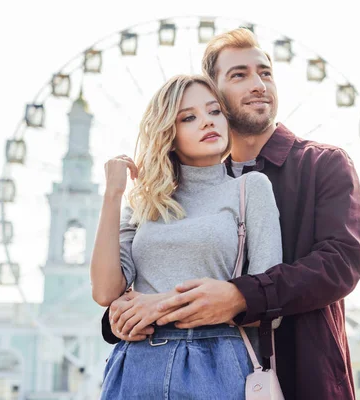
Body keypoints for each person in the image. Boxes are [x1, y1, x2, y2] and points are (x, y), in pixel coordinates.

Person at [104, 28, 360, 399]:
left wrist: (239, 296)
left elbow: (341, 264)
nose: (258, 84)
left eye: (266, 72)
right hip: (195, 373)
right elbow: (159, 267)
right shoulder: (182, 188)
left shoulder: (323, 164)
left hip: (302, 371)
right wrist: (126, 314)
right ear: (214, 94)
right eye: (239, 75)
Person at [90, 74, 283, 399]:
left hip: (217, 362)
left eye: (214, 112)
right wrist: (113, 195)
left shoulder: (250, 189)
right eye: (189, 117)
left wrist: (158, 305)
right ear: (169, 132)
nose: (207, 122)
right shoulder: (143, 201)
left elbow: (267, 306)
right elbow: (106, 291)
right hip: (138, 363)